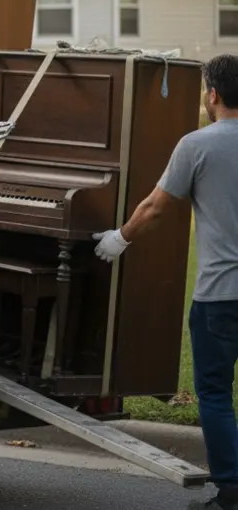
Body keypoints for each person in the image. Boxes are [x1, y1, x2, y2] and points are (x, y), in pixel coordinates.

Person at [93, 54, 238, 510]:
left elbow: (156, 208)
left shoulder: (197, 145)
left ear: (212, 94)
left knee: (214, 393)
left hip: (220, 296)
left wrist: (118, 239)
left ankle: (232, 491)